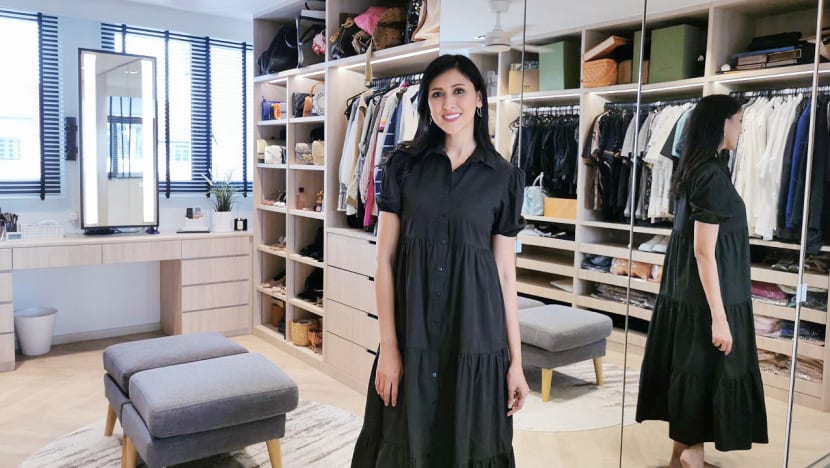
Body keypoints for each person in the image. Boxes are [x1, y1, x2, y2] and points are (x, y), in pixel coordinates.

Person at [351, 54, 529, 467]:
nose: (448, 103)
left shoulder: (504, 178)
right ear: (426, 102)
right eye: (437, 94)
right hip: (413, 333)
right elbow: (385, 262)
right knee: (405, 441)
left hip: (476, 337)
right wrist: (389, 349)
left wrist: (516, 363)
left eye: (459, 91)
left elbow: (505, 275)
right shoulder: (403, 167)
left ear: (479, 98)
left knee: (468, 444)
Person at [636, 94, 768, 468]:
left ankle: (683, 454)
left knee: (693, 370)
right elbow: (704, 252)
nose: (741, 129)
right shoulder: (710, 174)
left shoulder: (697, 168)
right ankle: (691, 457)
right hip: (709, 294)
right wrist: (720, 317)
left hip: (689, 292)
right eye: (739, 121)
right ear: (722, 123)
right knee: (707, 371)